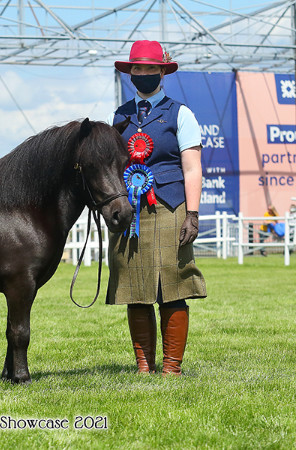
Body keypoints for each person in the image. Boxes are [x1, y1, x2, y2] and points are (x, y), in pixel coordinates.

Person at [105, 40, 207, 375]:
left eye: (151, 69)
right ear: (130, 73)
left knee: (172, 286)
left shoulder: (181, 113)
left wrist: (192, 214)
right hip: (129, 213)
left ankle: (172, 368)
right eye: (138, 68)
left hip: (171, 207)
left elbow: (192, 168)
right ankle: (144, 366)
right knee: (135, 287)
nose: (144, 74)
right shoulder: (119, 116)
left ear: (162, 72)